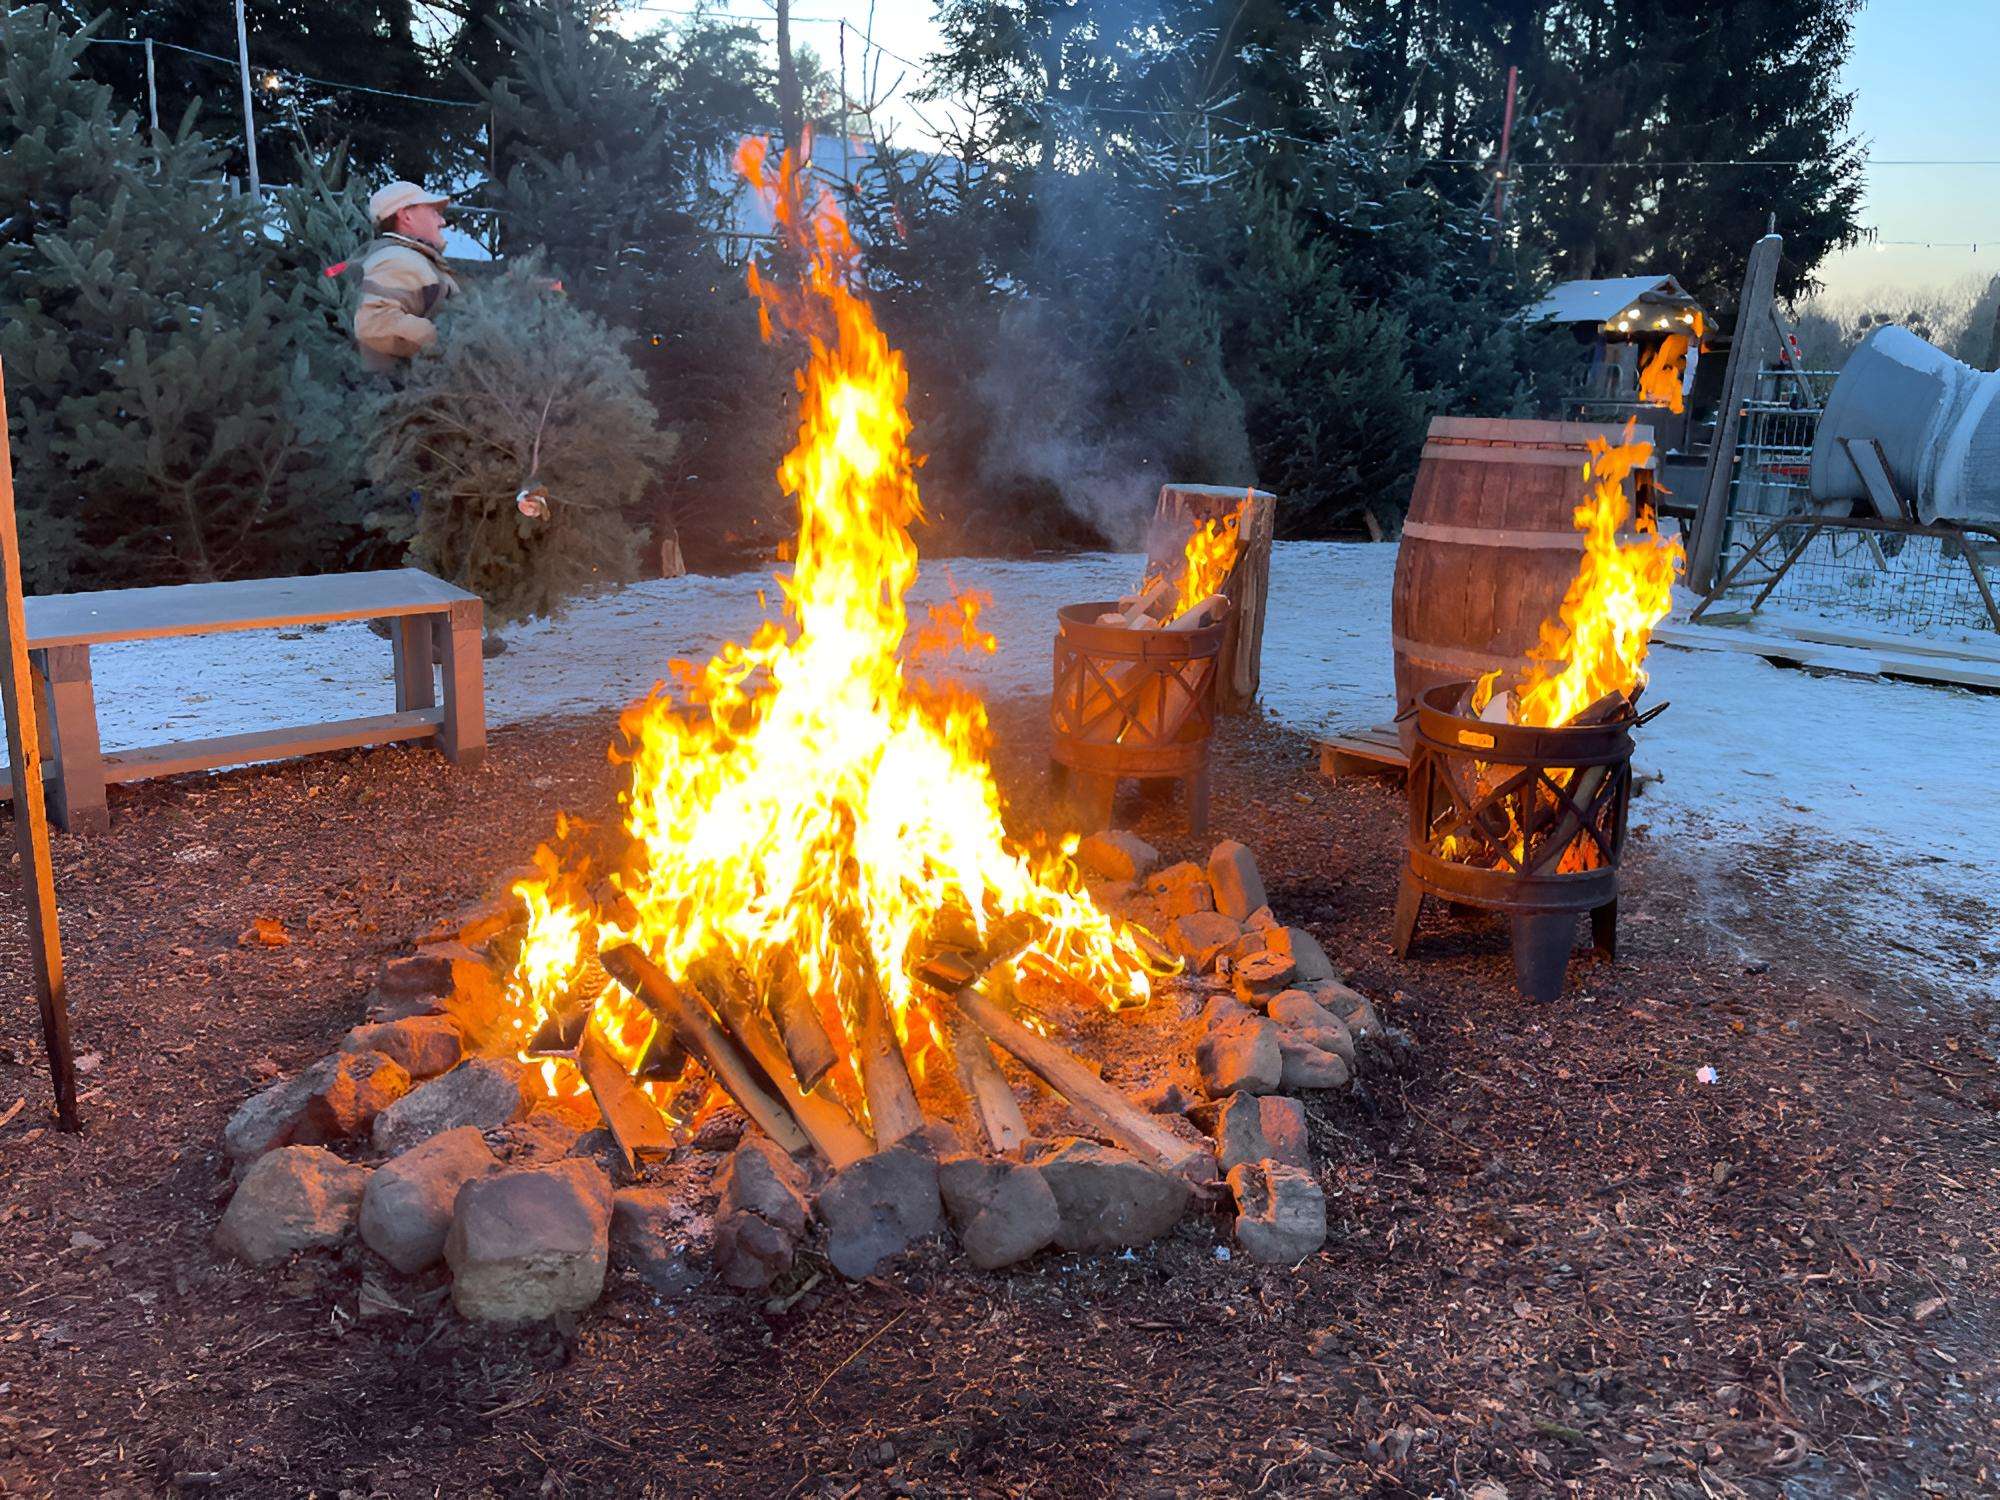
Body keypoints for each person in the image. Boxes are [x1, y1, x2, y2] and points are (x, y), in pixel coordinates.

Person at [353, 181, 459, 373]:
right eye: (433, 212)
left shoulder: (411, 259)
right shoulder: (399, 259)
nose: (442, 221)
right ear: (406, 216)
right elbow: (374, 323)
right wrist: (448, 342)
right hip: (406, 392)